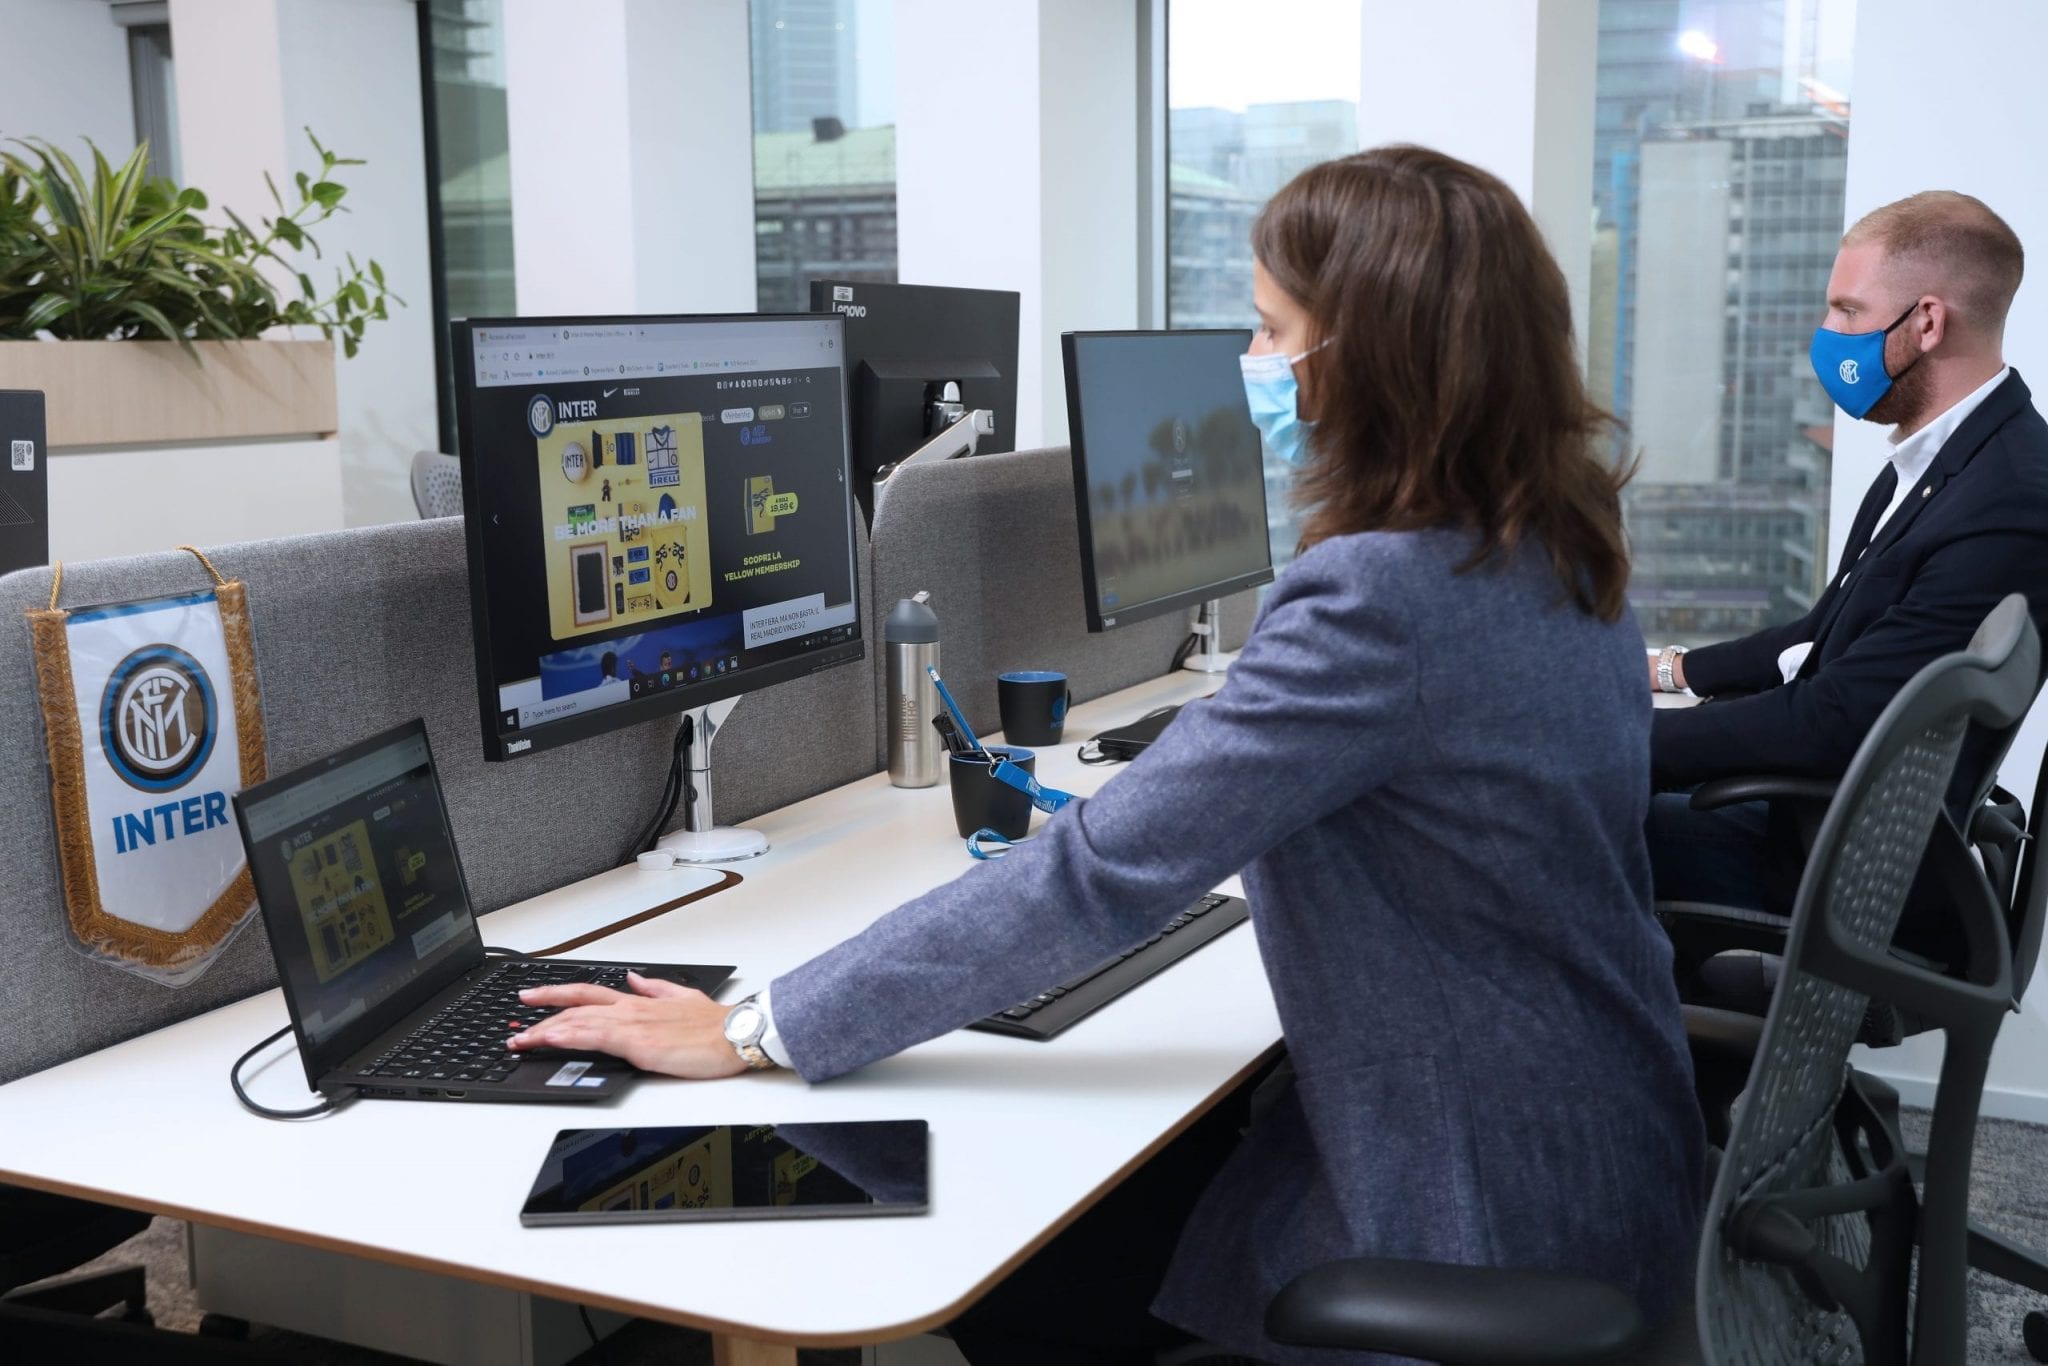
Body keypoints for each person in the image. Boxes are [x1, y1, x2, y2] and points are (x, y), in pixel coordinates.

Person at [512, 146, 1706, 1365]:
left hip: (1468, 1203)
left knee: (996, 1251)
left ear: (1371, 357)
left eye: (1266, 330)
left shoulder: (1380, 596)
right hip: (1599, 1142)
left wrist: (759, 1026)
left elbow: (1100, 875)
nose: (1249, 366)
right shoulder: (1551, 547)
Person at [1646, 191, 2048, 956]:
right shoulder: (1942, 464)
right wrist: (1664, 672)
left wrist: (1620, 740)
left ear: (1927, 323)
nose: (1828, 339)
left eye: (1847, 311)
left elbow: (1840, 715)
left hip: (1839, 870)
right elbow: (1819, 639)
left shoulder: (2011, 499)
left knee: (1544, 823)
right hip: (1821, 830)